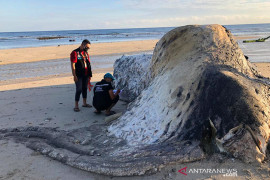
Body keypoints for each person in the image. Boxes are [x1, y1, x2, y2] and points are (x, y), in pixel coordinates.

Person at [70, 39, 92, 112]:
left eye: (89, 48)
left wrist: (89, 75)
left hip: (86, 74)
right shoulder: (75, 53)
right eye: (87, 47)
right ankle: (76, 105)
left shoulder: (85, 53)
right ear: (82, 44)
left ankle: (84, 103)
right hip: (78, 75)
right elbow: (73, 66)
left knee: (84, 88)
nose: (87, 49)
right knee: (79, 89)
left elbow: (88, 63)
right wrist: (74, 76)